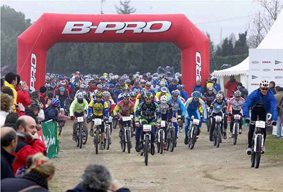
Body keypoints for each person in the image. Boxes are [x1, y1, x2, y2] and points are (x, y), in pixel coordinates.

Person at [243, 80, 278, 154]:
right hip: (254, 110)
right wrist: (246, 117)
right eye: (263, 89)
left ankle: (262, 145)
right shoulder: (255, 93)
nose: (264, 90)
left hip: (264, 111)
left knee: (263, 129)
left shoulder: (270, 95)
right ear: (260, 88)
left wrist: (274, 119)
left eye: (266, 89)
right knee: (252, 128)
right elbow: (246, 104)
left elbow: (273, 107)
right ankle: (249, 146)